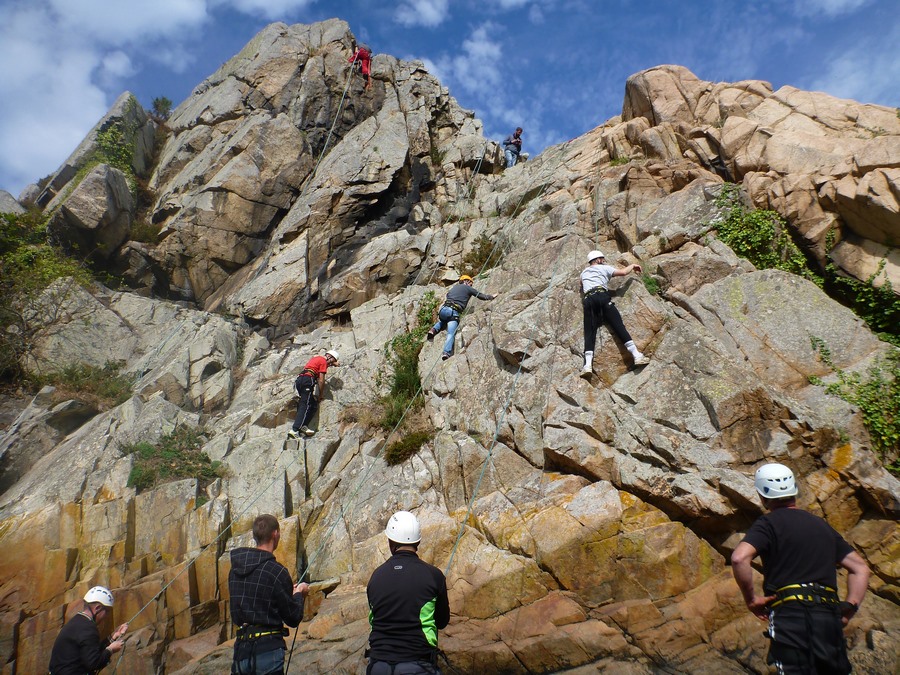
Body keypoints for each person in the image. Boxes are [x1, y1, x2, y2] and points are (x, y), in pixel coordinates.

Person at [731, 463, 870, 675]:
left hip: (791, 614)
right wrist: (850, 607)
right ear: (794, 490)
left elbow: (740, 558)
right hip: (828, 615)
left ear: (761, 495)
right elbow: (860, 568)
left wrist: (751, 600)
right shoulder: (821, 525)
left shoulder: (768, 523)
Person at [366, 511, 450, 675]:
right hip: (418, 664)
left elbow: (374, 619)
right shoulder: (434, 575)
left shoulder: (375, 577)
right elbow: (442, 621)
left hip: (378, 666)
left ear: (390, 542)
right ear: (418, 542)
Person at [229, 514, 310, 675]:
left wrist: (288, 592)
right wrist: (299, 593)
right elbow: (292, 618)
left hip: (241, 651)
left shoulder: (234, 571)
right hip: (268, 651)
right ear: (275, 534)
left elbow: (248, 603)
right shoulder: (277, 571)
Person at [580, 250, 649, 376]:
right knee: (618, 326)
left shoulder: (583, 273)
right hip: (601, 296)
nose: (604, 261)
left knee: (589, 333)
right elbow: (622, 272)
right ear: (598, 260)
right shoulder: (604, 268)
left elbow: (581, 284)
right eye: (602, 259)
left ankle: (587, 365)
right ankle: (637, 355)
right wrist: (633, 266)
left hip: (588, 300)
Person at [48, 586, 128, 675]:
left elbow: (90, 652)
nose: (107, 615)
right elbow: (94, 663)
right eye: (107, 611)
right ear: (97, 608)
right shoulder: (88, 628)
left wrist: (113, 637)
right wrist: (111, 650)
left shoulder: (77, 621)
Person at [426, 275, 494, 360]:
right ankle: (446, 353)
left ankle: (433, 330)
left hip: (443, 310)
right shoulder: (468, 288)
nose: (471, 285)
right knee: (451, 333)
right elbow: (480, 295)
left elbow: (448, 295)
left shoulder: (454, 288)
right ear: (466, 281)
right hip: (453, 312)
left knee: (443, 321)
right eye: (471, 283)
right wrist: (491, 297)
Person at [289, 349, 339, 438]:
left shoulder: (317, 358)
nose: (331, 363)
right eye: (332, 361)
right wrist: (320, 394)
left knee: (312, 404)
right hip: (308, 380)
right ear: (329, 356)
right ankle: (295, 429)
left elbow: (323, 364)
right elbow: (321, 380)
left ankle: (304, 425)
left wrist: (333, 363)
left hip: (300, 380)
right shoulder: (323, 361)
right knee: (305, 404)